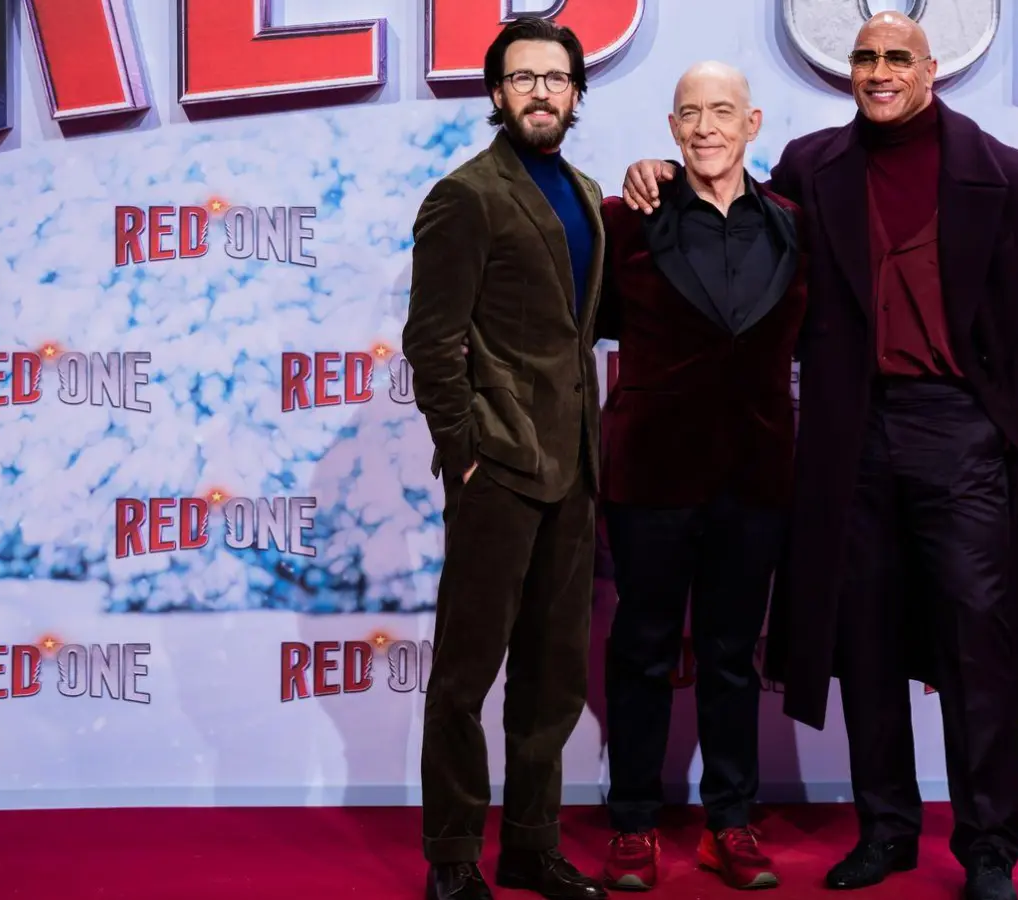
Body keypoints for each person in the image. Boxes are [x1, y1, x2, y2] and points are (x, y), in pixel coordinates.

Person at [621, 13, 1018, 900]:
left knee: (974, 647)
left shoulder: (1014, 179)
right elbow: (734, 214)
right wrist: (654, 173)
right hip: (851, 436)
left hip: (962, 433)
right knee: (868, 639)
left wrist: (1003, 414)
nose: (878, 72)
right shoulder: (811, 166)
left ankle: (989, 847)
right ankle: (887, 830)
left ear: (930, 71)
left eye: (896, 59)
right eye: (865, 57)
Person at [403, 16, 609, 900]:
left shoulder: (589, 193)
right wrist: (466, 454)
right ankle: (452, 861)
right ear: (496, 95)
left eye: (554, 79)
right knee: (464, 675)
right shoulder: (467, 195)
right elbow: (431, 341)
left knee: (553, 677)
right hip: (499, 470)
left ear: (575, 95)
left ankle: (530, 845)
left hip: (575, 469)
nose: (539, 92)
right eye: (521, 78)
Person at [596, 62, 808, 892]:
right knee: (643, 649)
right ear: (673, 126)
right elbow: (591, 324)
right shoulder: (629, 220)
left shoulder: (795, 224)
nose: (707, 127)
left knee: (730, 656)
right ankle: (633, 825)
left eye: (723, 111)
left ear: (753, 124)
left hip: (755, 472)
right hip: (650, 470)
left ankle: (731, 821)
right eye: (691, 113)